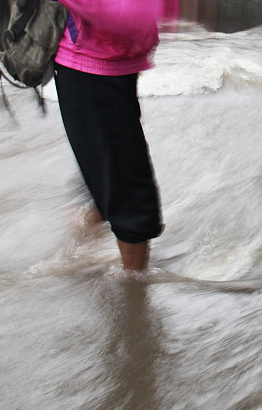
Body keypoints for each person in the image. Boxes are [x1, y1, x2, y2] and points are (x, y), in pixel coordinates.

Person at [53, 1, 165, 270]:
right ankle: (134, 291)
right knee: (129, 194)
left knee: (109, 177)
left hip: (117, 57)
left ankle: (77, 256)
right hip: (90, 62)